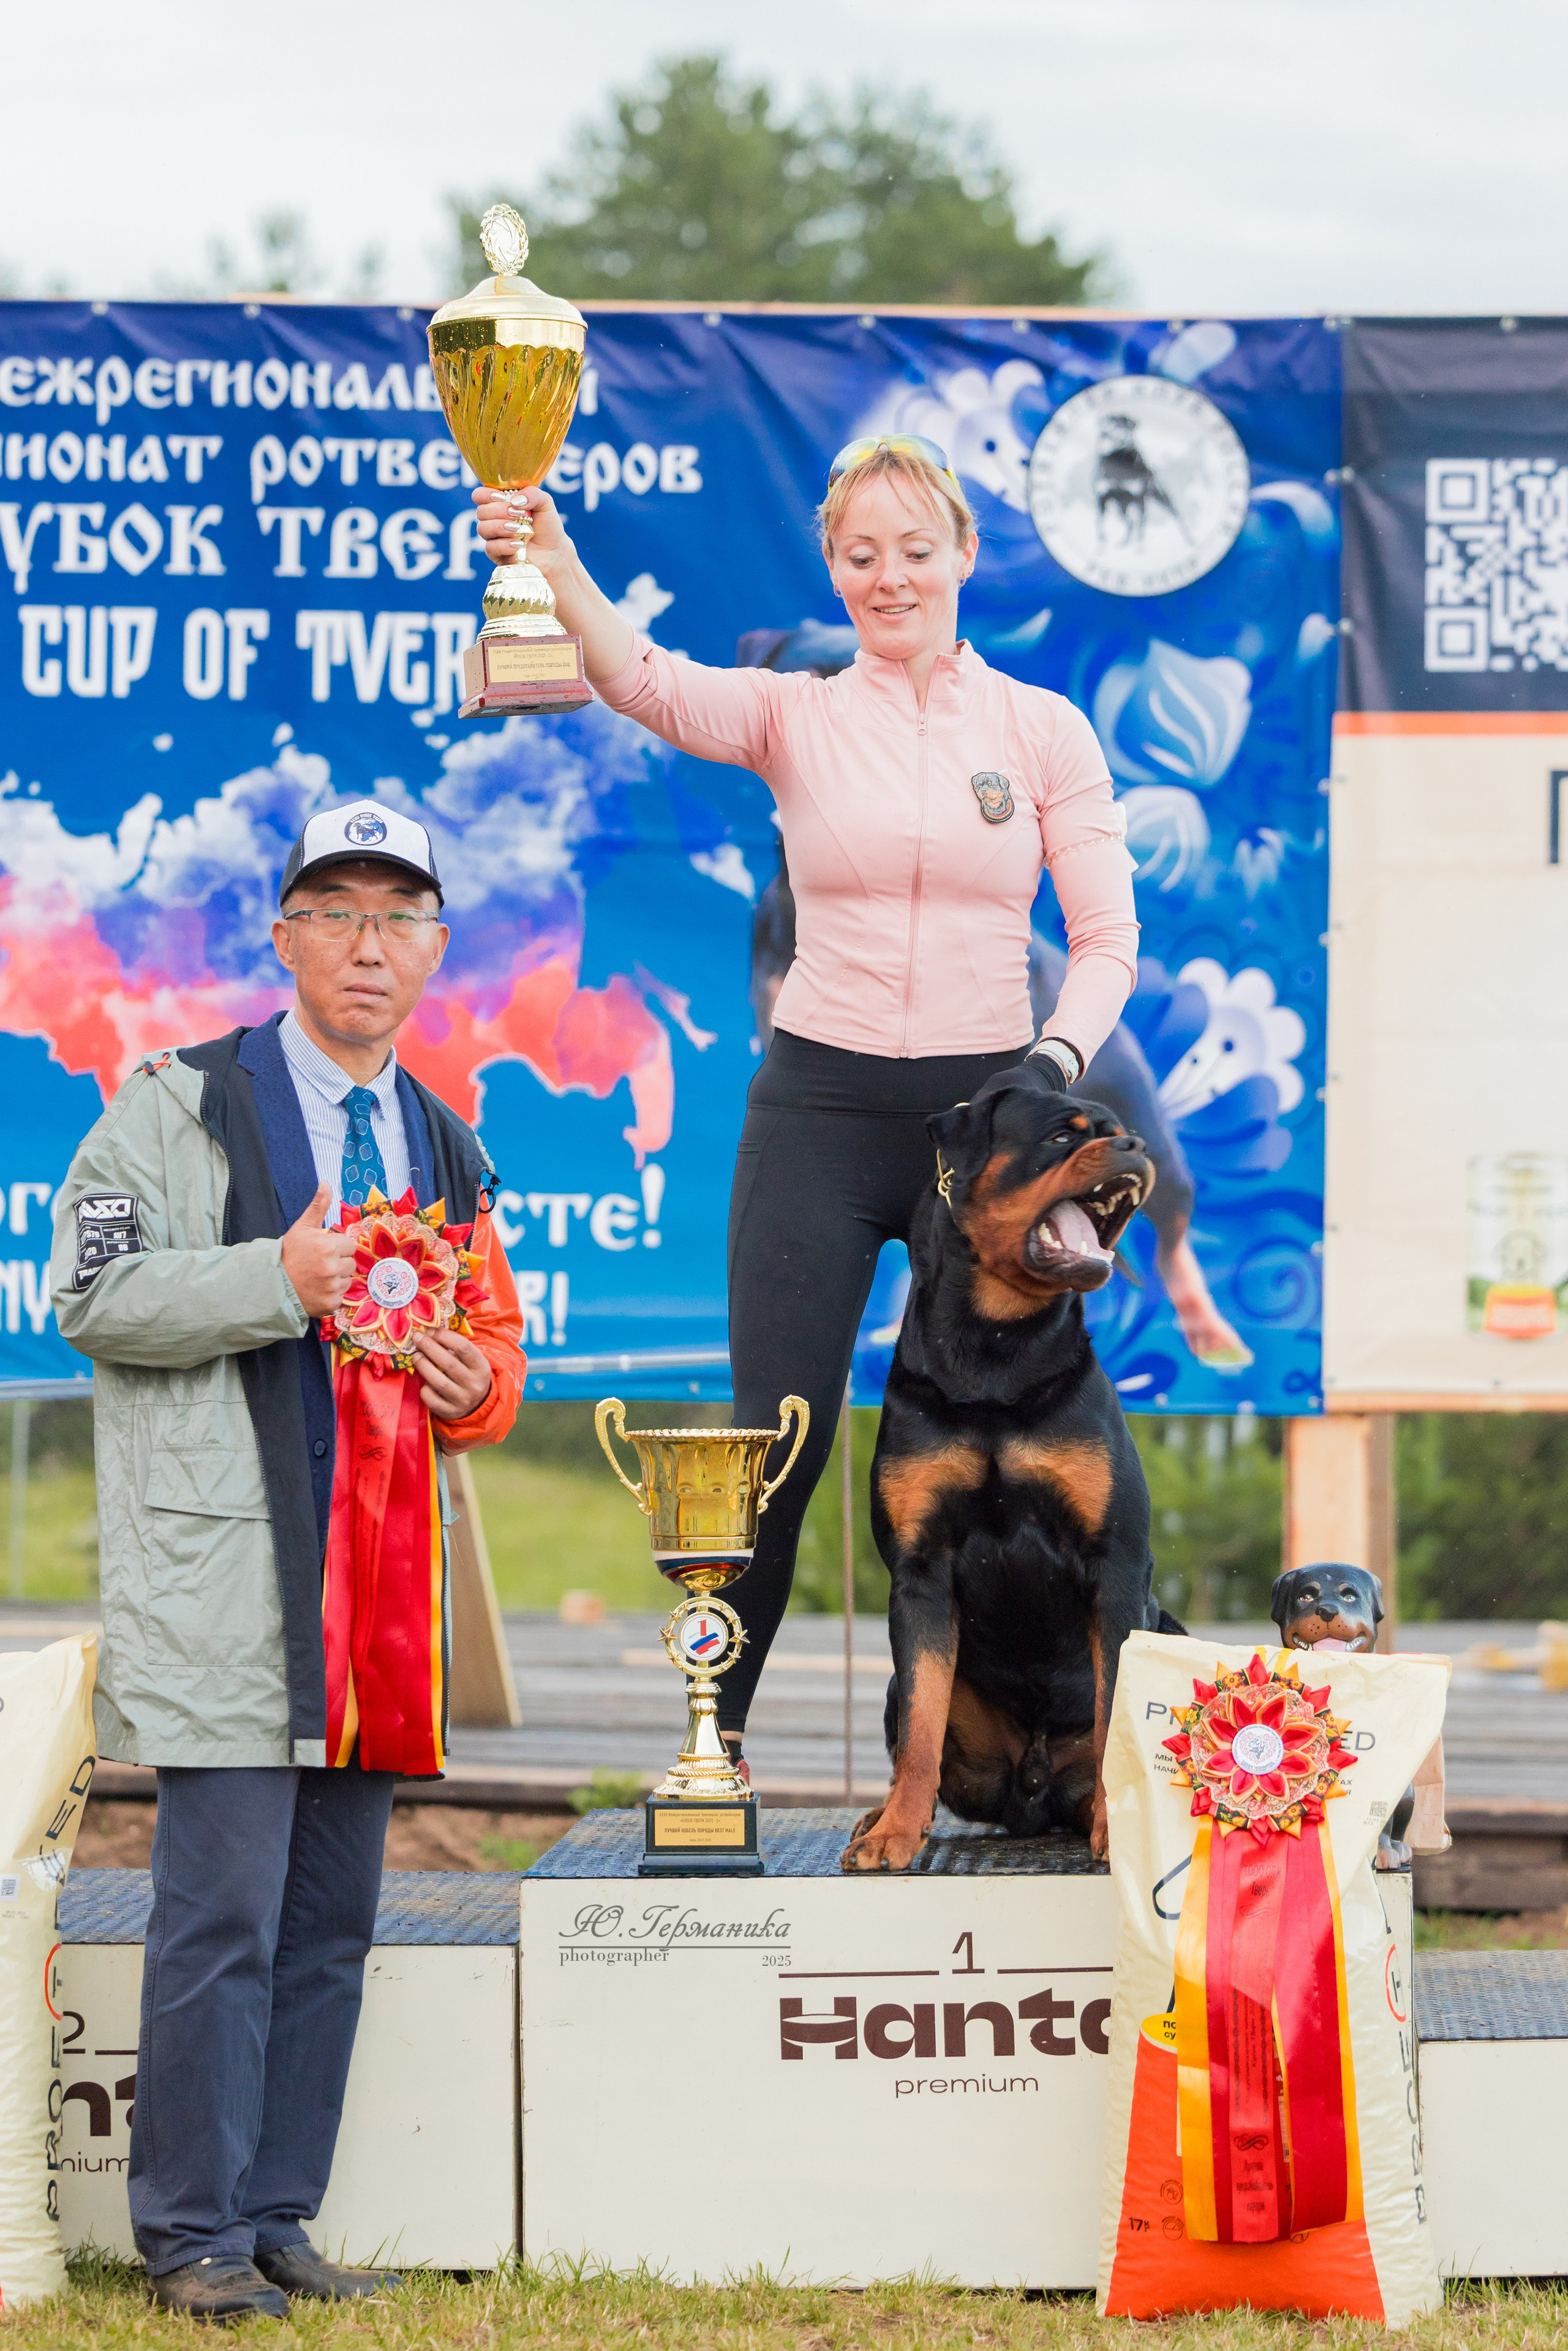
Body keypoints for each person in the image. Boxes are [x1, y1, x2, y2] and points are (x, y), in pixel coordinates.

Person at [473, 433, 1137, 1769]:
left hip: (987, 1125)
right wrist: (552, 557)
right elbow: (639, 677)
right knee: (767, 1458)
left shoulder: (1040, 729)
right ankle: (706, 1764)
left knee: (1038, 1453)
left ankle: (1088, 1773)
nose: (887, 576)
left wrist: (1048, 1070)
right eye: (857, 555)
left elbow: (1107, 935)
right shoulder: (797, 711)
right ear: (832, 571)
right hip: (817, 1118)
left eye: (911, 548)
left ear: (958, 553)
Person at [51, 802, 524, 2322]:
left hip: (380, 1605)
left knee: (329, 1923)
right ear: (285, 938)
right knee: (219, 1919)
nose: (368, 941)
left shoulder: (446, 1138)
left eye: (400, 914)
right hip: (231, 1585)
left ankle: (276, 2216)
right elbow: (92, 1291)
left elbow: (494, 1344)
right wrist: (280, 1273)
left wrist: (479, 1389)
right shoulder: (172, 1105)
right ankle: (186, 2231)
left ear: (435, 949)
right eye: (336, 910)